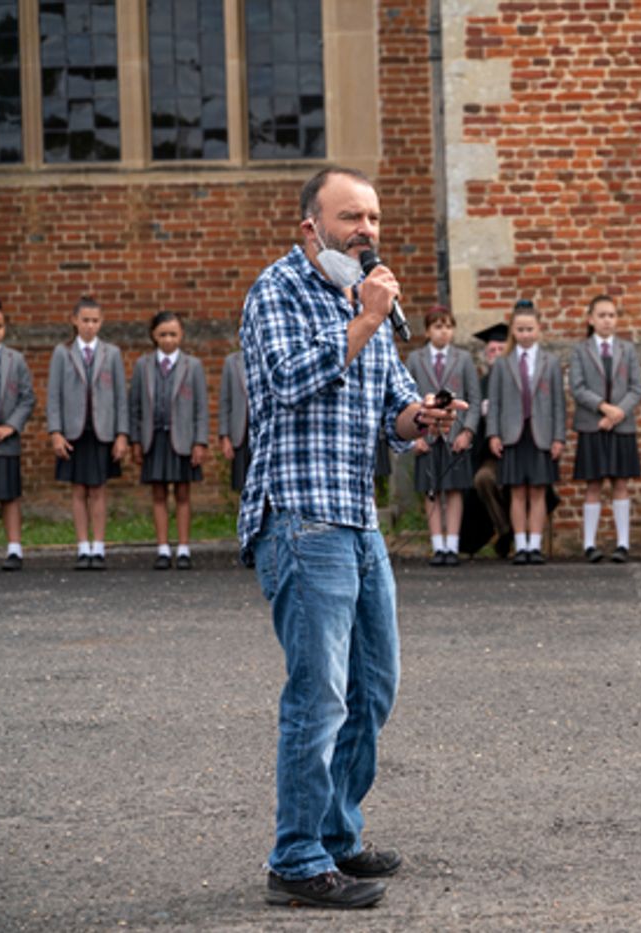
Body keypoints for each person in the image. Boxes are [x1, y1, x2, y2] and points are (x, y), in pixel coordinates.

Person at [239, 166, 463, 909]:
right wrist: (365, 319)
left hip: (358, 523)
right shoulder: (279, 291)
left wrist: (425, 417)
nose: (365, 230)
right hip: (302, 523)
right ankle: (296, 857)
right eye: (349, 218)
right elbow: (285, 377)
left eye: (372, 217)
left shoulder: (365, 300)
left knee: (374, 687)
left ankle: (335, 834)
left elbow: (392, 415)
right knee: (320, 692)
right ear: (311, 227)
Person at [47, 296, 129, 570]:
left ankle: (99, 546)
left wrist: (121, 434)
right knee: (78, 489)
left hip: (102, 430)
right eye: (85, 320)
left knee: (98, 489)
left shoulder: (112, 353)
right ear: (74, 321)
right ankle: (82, 546)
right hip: (73, 431)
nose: (90, 326)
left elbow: (120, 397)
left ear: (101, 322)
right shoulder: (62, 353)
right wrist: (56, 432)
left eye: (95, 321)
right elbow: (53, 395)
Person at [487, 299, 566, 565]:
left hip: (540, 433)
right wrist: (494, 434)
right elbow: (494, 401)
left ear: (538, 329)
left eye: (529, 329)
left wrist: (558, 437)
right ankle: (520, 545)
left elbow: (558, 402)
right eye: (520, 330)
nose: (525, 334)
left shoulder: (550, 362)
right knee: (517, 491)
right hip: (512, 434)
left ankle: (535, 544)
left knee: (538, 491)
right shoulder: (502, 363)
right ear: (513, 331)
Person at [129, 312, 208, 570]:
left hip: (183, 439)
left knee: (183, 493)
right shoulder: (143, 365)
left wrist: (200, 441)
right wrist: (136, 441)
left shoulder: (192, 366)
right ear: (154, 335)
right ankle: (163, 548)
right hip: (155, 439)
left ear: (181, 335)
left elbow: (200, 408)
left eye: (173, 334)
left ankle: (184, 548)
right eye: (163, 334)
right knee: (158, 493)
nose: (168, 339)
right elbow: (135, 407)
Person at [569, 295, 641, 563]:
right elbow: (577, 388)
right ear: (591, 319)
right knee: (593, 484)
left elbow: (637, 388)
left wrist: (617, 413)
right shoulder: (581, 350)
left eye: (611, 315)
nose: (607, 320)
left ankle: (623, 543)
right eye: (601, 315)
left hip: (622, 426)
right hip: (592, 425)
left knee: (620, 483)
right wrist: (603, 408)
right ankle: (590, 544)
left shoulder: (628, 350)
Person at [406, 305, 481, 567]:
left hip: (454, 435)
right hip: (427, 436)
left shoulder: (463, 359)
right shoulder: (416, 359)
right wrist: (414, 436)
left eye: (448, 326)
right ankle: (437, 544)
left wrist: (467, 432)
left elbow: (473, 397)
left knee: (454, 490)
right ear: (427, 331)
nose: (443, 332)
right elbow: (409, 399)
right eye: (438, 326)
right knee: (431, 490)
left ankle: (452, 544)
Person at [0, 292, 36, 571]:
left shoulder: (16, 360)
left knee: (9, 495)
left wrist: (10, 427)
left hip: (7, 440)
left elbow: (27, 398)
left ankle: (15, 548)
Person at [463, 321, 513, 557]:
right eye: (491, 350)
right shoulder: (479, 386)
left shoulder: (518, 378)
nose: (495, 355)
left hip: (520, 451)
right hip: (490, 455)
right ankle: (505, 530)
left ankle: (523, 537)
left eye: (500, 350)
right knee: (483, 478)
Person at [218, 349, 250, 494]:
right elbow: (225, 401)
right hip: (241, 434)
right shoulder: (232, 362)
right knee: (243, 486)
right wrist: (225, 436)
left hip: (267, 433)